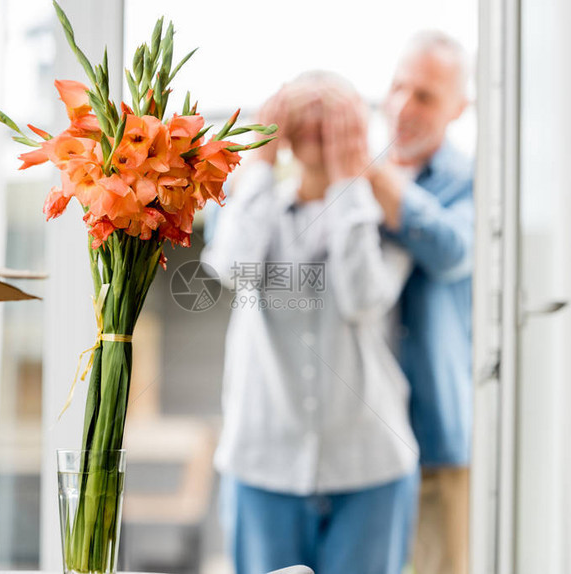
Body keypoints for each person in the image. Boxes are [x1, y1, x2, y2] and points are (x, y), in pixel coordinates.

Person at [201, 72, 419, 574]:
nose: (319, 126)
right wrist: (259, 157)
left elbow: (363, 297)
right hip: (262, 461)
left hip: (371, 463)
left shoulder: (383, 214)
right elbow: (233, 268)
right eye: (305, 112)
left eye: (334, 115)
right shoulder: (257, 209)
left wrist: (349, 181)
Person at [367, 31, 474, 574]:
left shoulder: (471, 181)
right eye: (397, 87)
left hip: (434, 442)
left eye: (426, 95)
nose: (404, 106)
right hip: (365, 446)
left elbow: (453, 251)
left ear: (460, 108)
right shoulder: (358, 178)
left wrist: (383, 185)